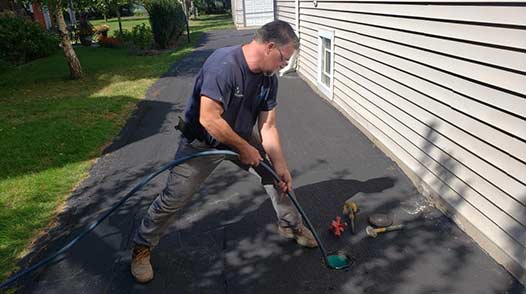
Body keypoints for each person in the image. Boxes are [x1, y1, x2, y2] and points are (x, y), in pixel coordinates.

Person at [131, 20, 317, 284]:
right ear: (270, 47)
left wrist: (280, 164)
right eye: (283, 60)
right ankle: (141, 247)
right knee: (174, 197)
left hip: (240, 135)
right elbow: (209, 119)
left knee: (278, 180)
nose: (284, 66)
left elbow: (268, 126)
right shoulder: (224, 65)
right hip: (202, 142)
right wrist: (244, 149)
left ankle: (290, 225)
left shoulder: (268, 79)